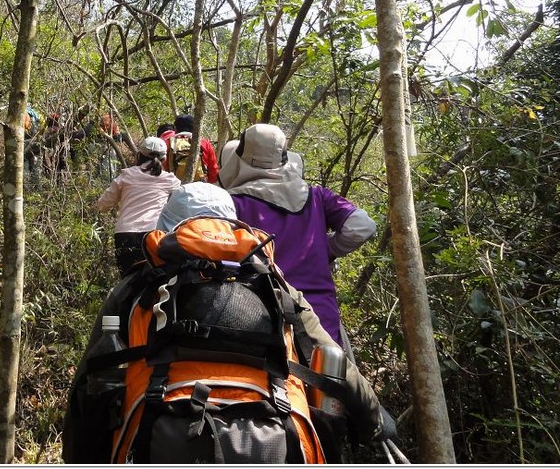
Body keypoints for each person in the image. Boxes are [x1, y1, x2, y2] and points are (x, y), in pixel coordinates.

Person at [63, 182, 396, 463]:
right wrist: (374, 420)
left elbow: (89, 381)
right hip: (276, 435)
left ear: (168, 226)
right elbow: (329, 354)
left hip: (161, 435)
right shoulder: (275, 285)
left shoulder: (138, 285)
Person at [220, 124, 377, 346]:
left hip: (253, 315)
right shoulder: (316, 196)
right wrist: (328, 248)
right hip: (319, 318)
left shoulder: (230, 203)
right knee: (335, 378)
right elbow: (363, 226)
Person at [95, 136, 181, 274]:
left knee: (127, 281)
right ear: (164, 159)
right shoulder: (171, 181)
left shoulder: (126, 176)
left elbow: (102, 205)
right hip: (155, 235)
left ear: (139, 155)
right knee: (158, 279)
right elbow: (180, 206)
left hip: (126, 234)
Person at [161, 113, 219, 183]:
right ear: (195, 128)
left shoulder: (167, 143)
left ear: (175, 129)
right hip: (200, 186)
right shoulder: (204, 143)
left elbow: (161, 170)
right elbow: (214, 174)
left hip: (175, 186)